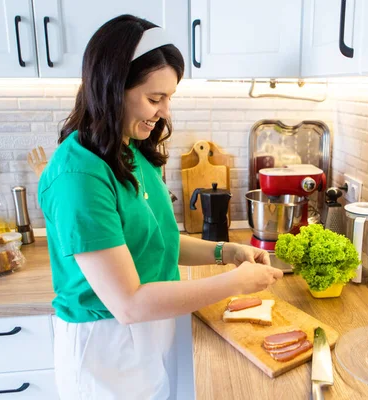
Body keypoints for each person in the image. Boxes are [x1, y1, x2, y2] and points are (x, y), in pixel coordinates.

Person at [37, 14, 283, 400]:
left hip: (150, 338)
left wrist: (226, 251)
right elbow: (129, 304)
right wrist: (234, 284)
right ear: (112, 88)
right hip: (104, 357)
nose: (165, 111)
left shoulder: (130, 149)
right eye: (155, 98)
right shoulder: (78, 177)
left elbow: (158, 239)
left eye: (168, 97)